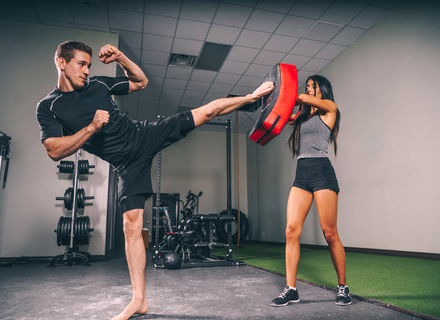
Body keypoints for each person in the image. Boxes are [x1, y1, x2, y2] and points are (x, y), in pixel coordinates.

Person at [36, 41, 274, 320]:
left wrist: (122, 57)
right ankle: (139, 300)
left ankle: (250, 97)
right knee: (131, 225)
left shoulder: (98, 84)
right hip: (126, 165)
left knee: (205, 112)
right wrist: (91, 127)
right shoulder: (49, 107)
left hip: (143, 134)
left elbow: (140, 81)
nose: (87, 70)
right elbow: (53, 150)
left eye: (89, 64)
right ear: (62, 63)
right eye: (81, 64)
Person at [270, 75, 351, 307]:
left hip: (322, 172)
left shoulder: (330, 109)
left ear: (322, 88)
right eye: (307, 87)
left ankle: (343, 287)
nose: (308, 90)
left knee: (329, 233)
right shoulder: (304, 115)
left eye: (312, 86)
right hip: (302, 173)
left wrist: (288, 94)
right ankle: (291, 289)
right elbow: (283, 117)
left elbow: (300, 98)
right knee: (291, 230)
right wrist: (272, 100)